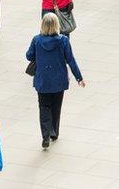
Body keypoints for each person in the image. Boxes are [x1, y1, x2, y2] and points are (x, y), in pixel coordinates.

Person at [26, 13, 85, 149]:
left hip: (43, 80)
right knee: (56, 107)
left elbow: (29, 56)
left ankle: (45, 135)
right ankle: (54, 132)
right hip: (59, 80)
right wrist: (79, 77)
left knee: (44, 107)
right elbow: (71, 60)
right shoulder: (63, 40)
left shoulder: (36, 40)